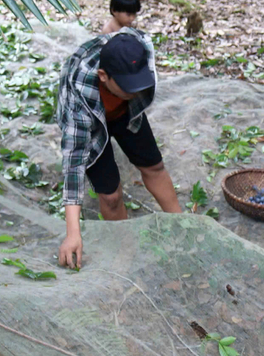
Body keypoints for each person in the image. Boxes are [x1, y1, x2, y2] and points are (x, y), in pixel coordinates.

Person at [56, 29, 181, 269]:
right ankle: (126, 250)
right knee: (111, 196)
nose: (136, 91)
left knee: (154, 165)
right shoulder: (78, 100)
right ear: (103, 76)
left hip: (126, 113)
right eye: (128, 86)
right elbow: (73, 168)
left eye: (139, 84)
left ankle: (183, 224)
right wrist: (73, 233)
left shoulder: (139, 47)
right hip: (91, 118)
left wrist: (127, 93)